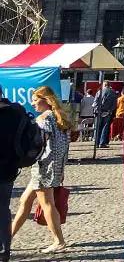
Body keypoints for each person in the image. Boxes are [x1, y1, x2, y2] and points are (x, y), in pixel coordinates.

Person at [10, 86, 71, 253]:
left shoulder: (43, 119)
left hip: (43, 167)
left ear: (45, 100)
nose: (32, 103)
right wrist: (60, 168)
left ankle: (59, 241)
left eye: (35, 100)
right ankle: (8, 238)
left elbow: (37, 145)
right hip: (53, 166)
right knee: (25, 201)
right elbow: (64, 147)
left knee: (47, 204)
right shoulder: (59, 118)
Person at [0, 92, 33, 262]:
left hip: (7, 168)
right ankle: (3, 250)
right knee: (3, 210)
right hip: (9, 169)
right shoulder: (17, 111)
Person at [95, 80, 119, 148]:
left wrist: (97, 109)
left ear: (104, 85)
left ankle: (96, 143)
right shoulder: (113, 92)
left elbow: (95, 102)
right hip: (107, 112)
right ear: (109, 85)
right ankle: (102, 143)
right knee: (105, 127)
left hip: (99, 112)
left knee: (98, 127)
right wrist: (110, 111)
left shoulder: (99, 92)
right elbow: (114, 104)